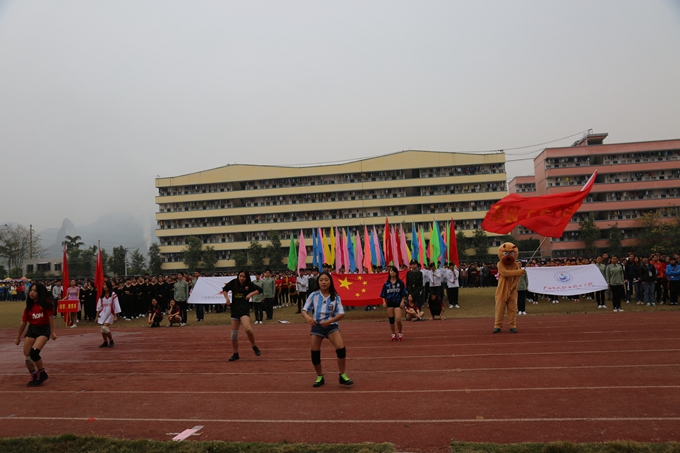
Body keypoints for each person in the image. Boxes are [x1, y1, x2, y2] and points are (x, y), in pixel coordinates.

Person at [301, 271, 353, 387]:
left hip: (331, 326)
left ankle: (342, 375)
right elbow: (304, 310)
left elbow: (341, 313)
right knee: (315, 353)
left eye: (326, 280)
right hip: (317, 326)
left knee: (341, 349)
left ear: (330, 282)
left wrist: (329, 322)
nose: (323, 282)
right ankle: (320, 376)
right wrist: (308, 318)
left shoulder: (336, 297)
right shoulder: (313, 295)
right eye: (321, 280)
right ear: (318, 282)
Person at [14, 283, 57, 386]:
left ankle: (42, 373)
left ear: (40, 293)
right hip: (32, 330)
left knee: (34, 352)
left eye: (35, 291)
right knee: (27, 356)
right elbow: (23, 322)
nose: (32, 293)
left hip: (43, 330)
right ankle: (33, 375)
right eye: (31, 290)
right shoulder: (29, 307)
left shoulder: (46, 304)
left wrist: (52, 332)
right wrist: (18, 337)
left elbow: (51, 318)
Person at [223, 270, 262, 361]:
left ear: (246, 277)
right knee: (234, 335)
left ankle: (254, 346)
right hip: (235, 310)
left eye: (244, 277)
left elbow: (260, 290)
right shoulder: (234, 282)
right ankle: (236, 353)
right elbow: (224, 289)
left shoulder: (249, 284)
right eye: (240, 276)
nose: (242, 278)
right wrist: (227, 299)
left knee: (247, 328)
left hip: (244, 310)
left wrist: (250, 294)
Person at [380, 265, 407, 341]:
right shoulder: (386, 283)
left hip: (398, 302)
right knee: (391, 320)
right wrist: (384, 302)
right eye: (391, 271)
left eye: (393, 271)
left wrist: (402, 302)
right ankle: (393, 333)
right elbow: (383, 294)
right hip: (390, 302)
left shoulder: (400, 282)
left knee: (398, 319)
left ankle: (400, 332)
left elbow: (404, 294)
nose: (392, 272)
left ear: (396, 273)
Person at [96, 281, 121, 348]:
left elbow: (116, 305)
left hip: (111, 313)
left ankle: (111, 340)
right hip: (103, 313)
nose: (105, 287)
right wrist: (96, 317)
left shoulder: (113, 295)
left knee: (105, 327)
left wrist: (115, 316)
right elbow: (99, 307)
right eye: (104, 285)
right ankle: (105, 342)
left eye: (106, 285)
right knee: (102, 329)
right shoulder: (102, 296)